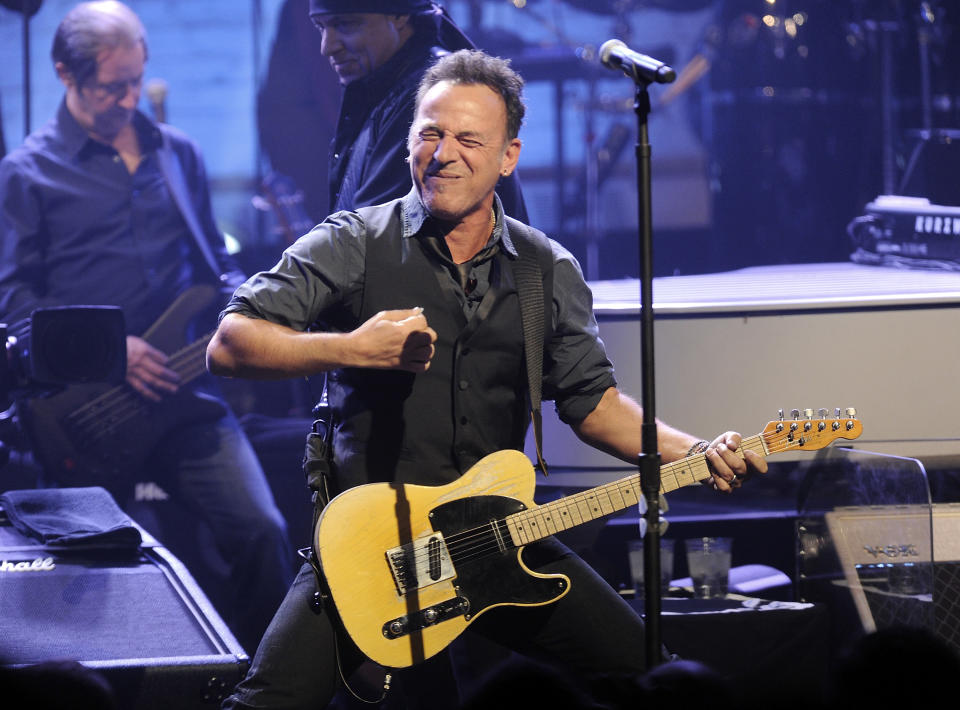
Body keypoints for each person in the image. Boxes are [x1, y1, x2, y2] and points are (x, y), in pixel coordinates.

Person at [208, 48, 766, 709]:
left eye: (469, 139)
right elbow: (231, 342)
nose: (443, 153)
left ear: (508, 157)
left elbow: (593, 404)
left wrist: (693, 452)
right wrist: (354, 349)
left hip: (498, 541)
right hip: (375, 554)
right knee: (267, 703)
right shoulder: (356, 241)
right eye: (429, 133)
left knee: (659, 682)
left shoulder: (542, 268)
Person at [0, 1, 294, 654]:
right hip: (86, 413)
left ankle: (260, 689)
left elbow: (213, 272)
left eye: (138, 79)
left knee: (263, 532)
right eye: (113, 86)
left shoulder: (176, 153)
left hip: (187, 397)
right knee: (92, 576)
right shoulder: (27, 173)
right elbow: (15, 304)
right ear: (63, 74)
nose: (131, 97)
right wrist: (108, 353)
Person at [306, 0, 527, 220]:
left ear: (400, 16)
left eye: (346, 24)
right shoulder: (388, 86)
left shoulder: (435, 96)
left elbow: (375, 235)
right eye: (321, 27)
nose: (327, 47)